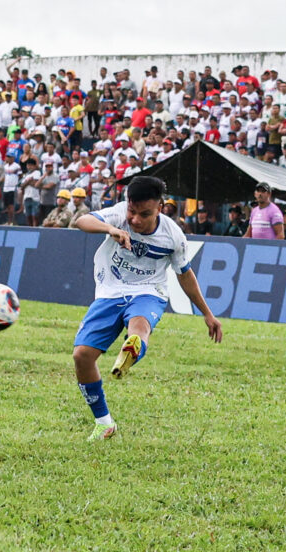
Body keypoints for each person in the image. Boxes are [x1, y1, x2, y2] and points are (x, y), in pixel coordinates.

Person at [72, 176, 222, 440]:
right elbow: (81, 221)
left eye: (145, 214)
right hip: (110, 291)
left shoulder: (173, 236)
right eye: (132, 211)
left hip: (148, 291)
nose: (136, 220)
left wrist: (207, 313)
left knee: (139, 326)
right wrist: (111, 230)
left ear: (161, 207)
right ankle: (104, 422)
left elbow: (185, 274)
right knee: (82, 356)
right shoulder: (118, 214)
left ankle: (132, 350)